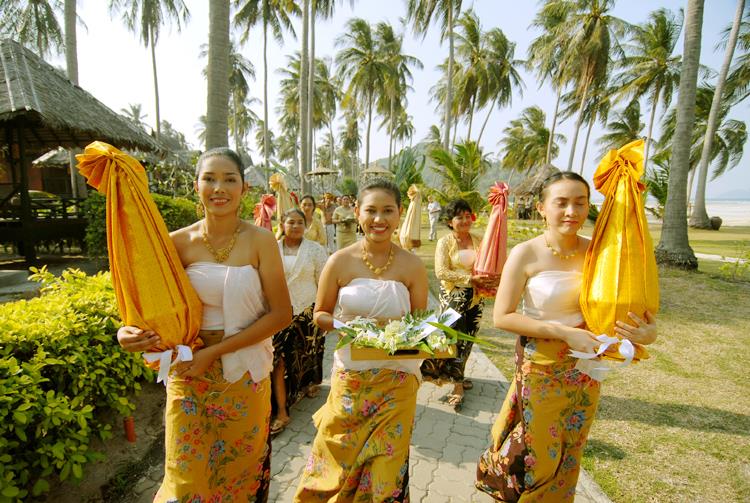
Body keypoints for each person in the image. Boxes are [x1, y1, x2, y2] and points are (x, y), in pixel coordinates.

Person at [116, 147, 292, 502]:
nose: (219, 187)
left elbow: (281, 314)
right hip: (188, 373)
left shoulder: (261, 241)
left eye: (230, 179)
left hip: (244, 375)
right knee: (184, 482)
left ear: (244, 188)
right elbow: (146, 306)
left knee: (238, 479)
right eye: (209, 178)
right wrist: (126, 332)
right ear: (195, 186)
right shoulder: (175, 243)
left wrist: (215, 352)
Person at [476, 172, 657, 502]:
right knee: (538, 457)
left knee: (569, 453)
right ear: (542, 207)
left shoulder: (601, 253)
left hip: (585, 372)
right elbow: (503, 316)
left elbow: (631, 309)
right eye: (561, 202)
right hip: (539, 368)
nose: (572, 211)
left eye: (580, 203)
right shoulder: (525, 254)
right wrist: (562, 332)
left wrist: (648, 333)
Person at [294, 178, 429, 502]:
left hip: (397, 382)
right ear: (357, 212)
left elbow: (420, 324)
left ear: (399, 215)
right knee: (333, 467)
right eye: (371, 210)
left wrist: (410, 338)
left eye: (388, 211)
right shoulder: (339, 261)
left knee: (385, 477)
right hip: (351, 378)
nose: (379, 219)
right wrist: (348, 327)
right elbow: (321, 314)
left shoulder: (412, 265)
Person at [421, 198, 498, 411]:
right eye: (459, 217)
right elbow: (441, 272)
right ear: (450, 221)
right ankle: (455, 385)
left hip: (475, 298)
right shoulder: (445, 242)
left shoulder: (479, 239)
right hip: (453, 299)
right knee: (450, 339)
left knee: (468, 340)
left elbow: (490, 263)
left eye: (467, 216)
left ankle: (458, 378)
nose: (464, 220)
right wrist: (469, 279)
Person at [270, 207, 328, 435]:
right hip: (278, 314)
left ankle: (307, 384)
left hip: (307, 312)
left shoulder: (315, 250)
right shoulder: (271, 250)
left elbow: (323, 282)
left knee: (306, 354)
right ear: (282, 224)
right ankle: (282, 411)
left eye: (300, 223)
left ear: (306, 226)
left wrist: (324, 312)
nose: (295, 226)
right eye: (291, 222)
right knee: (279, 361)